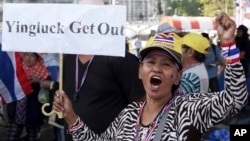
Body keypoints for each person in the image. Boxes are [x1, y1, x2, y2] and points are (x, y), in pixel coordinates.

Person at [52, 13, 248, 141]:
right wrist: (71, 117)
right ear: (140, 72)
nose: (156, 69)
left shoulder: (190, 108)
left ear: (177, 76)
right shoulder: (128, 115)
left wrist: (229, 44)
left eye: (166, 64)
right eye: (150, 62)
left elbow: (235, 99)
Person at [7, 52, 50, 141]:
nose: (29, 58)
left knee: (32, 138)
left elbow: (48, 91)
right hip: (17, 112)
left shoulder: (43, 72)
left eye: (32, 56)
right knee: (12, 137)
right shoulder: (16, 69)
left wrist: (39, 81)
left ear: (37, 58)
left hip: (33, 114)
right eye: (26, 55)